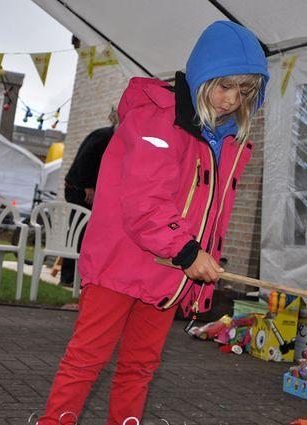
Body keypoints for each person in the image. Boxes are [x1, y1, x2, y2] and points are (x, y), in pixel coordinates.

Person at [38, 20, 269, 425]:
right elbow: (144, 201)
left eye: (245, 91)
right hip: (121, 264)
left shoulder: (227, 140)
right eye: (224, 86)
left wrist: (201, 258)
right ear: (203, 75)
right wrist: (188, 251)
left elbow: (210, 210)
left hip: (168, 273)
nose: (232, 99)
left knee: (140, 367)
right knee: (86, 359)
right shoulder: (157, 119)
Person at [59, 108, 117, 286]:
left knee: (86, 233)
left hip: (87, 190)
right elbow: (84, 160)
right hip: (79, 190)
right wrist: (87, 186)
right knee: (78, 232)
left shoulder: (111, 138)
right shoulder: (102, 137)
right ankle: (68, 277)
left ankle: (81, 275)